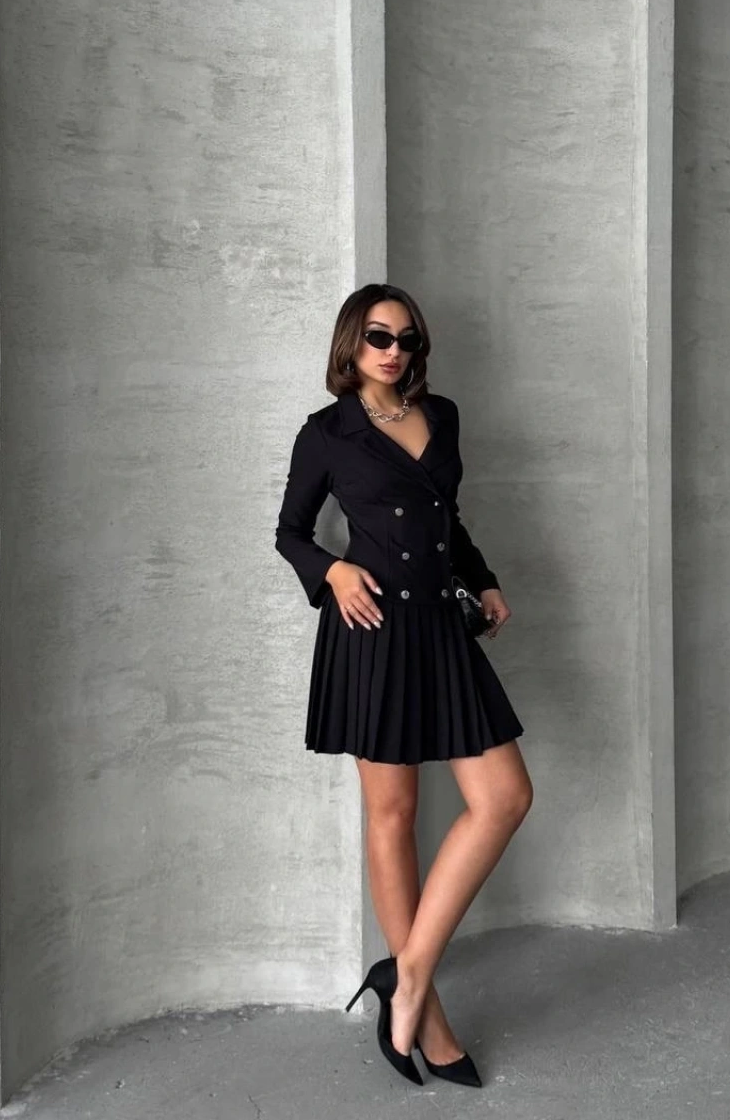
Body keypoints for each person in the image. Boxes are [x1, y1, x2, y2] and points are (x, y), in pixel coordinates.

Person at [274, 282, 534, 1088]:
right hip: (373, 632)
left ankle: (407, 974)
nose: (395, 351)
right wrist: (332, 570)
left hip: (439, 630)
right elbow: (289, 532)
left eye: (408, 338)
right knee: (394, 815)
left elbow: (444, 516)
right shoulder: (327, 433)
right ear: (351, 343)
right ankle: (432, 1018)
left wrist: (482, 576)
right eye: (380, 336)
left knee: (505, 796)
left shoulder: (442, 415)